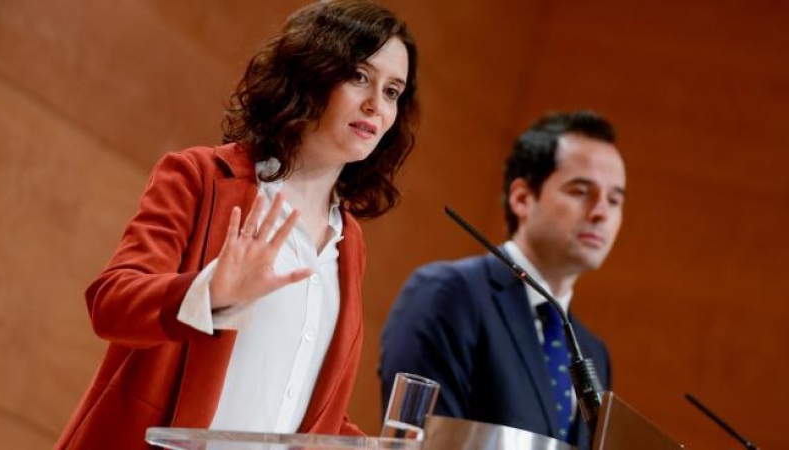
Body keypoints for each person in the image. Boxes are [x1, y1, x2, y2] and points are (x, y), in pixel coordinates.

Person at [56, 1, 418, 448]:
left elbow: (297, 406)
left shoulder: (349, 242)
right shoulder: (200, 177)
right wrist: (210, 292)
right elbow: (111, 303)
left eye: (392, 91)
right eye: (360, 76)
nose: (375, 105)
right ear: (310, 72)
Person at [379, 110, 624, 449]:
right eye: (581, 191)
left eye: (614, 199)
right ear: (522, 198)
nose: (602, 213)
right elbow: (422, 441)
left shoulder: (593, 351)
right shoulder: (448, 293)